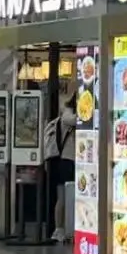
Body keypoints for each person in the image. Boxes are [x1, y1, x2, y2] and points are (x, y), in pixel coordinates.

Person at [45, 95, 77, 242]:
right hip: (66, 161)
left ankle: (63, 228)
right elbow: (74, 120)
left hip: (66, 160)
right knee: (64, 196)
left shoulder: (67, 114)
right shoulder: (67, 114)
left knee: (64, 196)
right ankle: (59, 229)